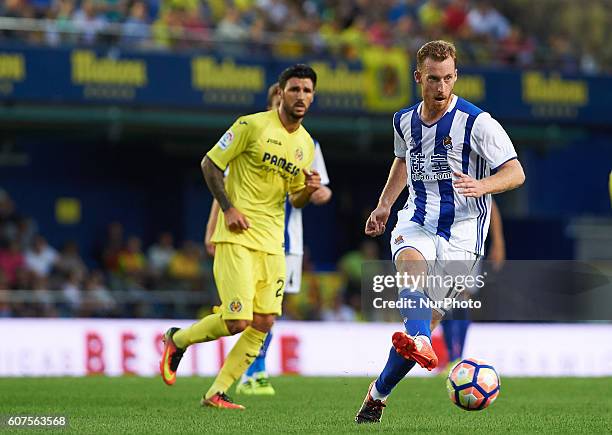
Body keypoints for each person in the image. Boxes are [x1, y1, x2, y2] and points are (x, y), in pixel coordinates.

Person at [355, 40, 525, 423]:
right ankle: (420, 340)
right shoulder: (403, 121)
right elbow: (403, 160)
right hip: (416, 218)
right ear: (419, 77)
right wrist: (384, 204)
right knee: (410, 271)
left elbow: (515, 172)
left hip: (464, 232)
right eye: (433, 79)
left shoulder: (478, 123)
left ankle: (378, 393)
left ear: (456, 77)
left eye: (448, 78)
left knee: (424, 322)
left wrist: (483, 186)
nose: (441, 87)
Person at [160, 64, 322, 410]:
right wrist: (228, 208)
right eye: (295, 89)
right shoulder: (251, 125)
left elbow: (294, 198)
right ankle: (177, 339)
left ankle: (216, 392)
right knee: (238, 320)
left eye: (307, 91)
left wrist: (308, 190)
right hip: (236, 237)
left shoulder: (306, 144)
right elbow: (210, 163)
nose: (301, 97)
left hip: (273, 243)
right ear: (280, 93)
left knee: (264, 321)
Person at [204, 82, 332, 395]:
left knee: (271, 311)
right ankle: (252, 370)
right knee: (242, 313)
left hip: (287, 239)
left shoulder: (307, 145)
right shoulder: (251, 137)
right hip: (246, 235)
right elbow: (222, 183)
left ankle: (253, 368)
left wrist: (319, 192)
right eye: (286, 96)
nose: (295, 101)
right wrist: (211, 230)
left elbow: (321, 189)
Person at [440, 199, 505, 371]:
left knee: (459, 296)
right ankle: (452, 359)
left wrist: (498, 242)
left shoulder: (472, 174)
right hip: (442, 242)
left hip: (467, 243)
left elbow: (490, 205)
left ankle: (455, 359)